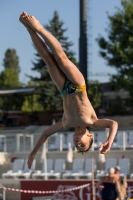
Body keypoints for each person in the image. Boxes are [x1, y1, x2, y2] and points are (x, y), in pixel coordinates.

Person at [19, 12, 118, 169]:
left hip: (64, 89)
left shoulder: (66, 123)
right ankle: (40, 29)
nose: (78, 143)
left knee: (48, 61)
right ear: (89, 135)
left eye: (76, 146)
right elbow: (113, 124)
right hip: (78, 86)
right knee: (61, 58)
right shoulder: (93, 122)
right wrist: (109, 141)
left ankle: (29, 28)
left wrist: (33, 152)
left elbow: (45, 133)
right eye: (82, 144)